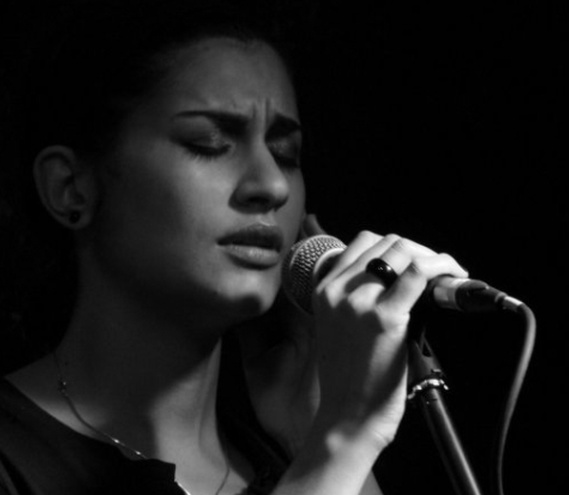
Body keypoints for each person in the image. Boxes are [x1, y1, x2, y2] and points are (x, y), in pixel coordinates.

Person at [0, 1, 469, 493]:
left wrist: (310, 429)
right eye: (208, 143)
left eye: (286, 154)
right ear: (70, 188)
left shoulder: (298, 452)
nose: (272, 185)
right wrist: (345, 436)